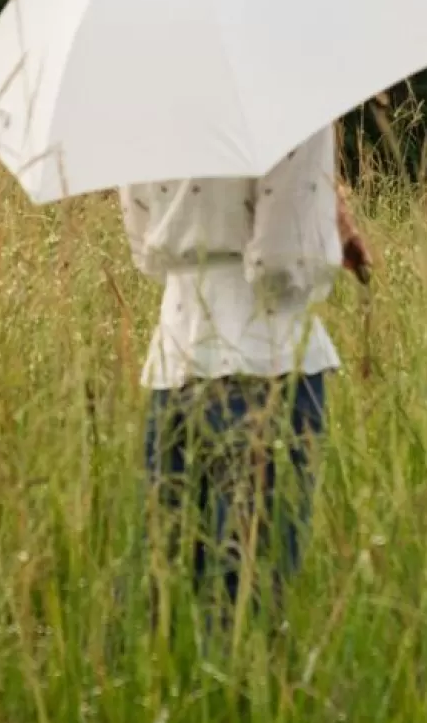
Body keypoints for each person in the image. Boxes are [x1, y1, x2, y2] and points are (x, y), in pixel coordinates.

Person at [120, 124, 371, 617]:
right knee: (249, 611)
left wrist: (330, 216)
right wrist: (320, 236)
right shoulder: (292, 87)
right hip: (268, 357)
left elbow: (143, 244)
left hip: (174, 358)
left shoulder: (145, 93)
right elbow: (282, 262)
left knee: (170, 606)